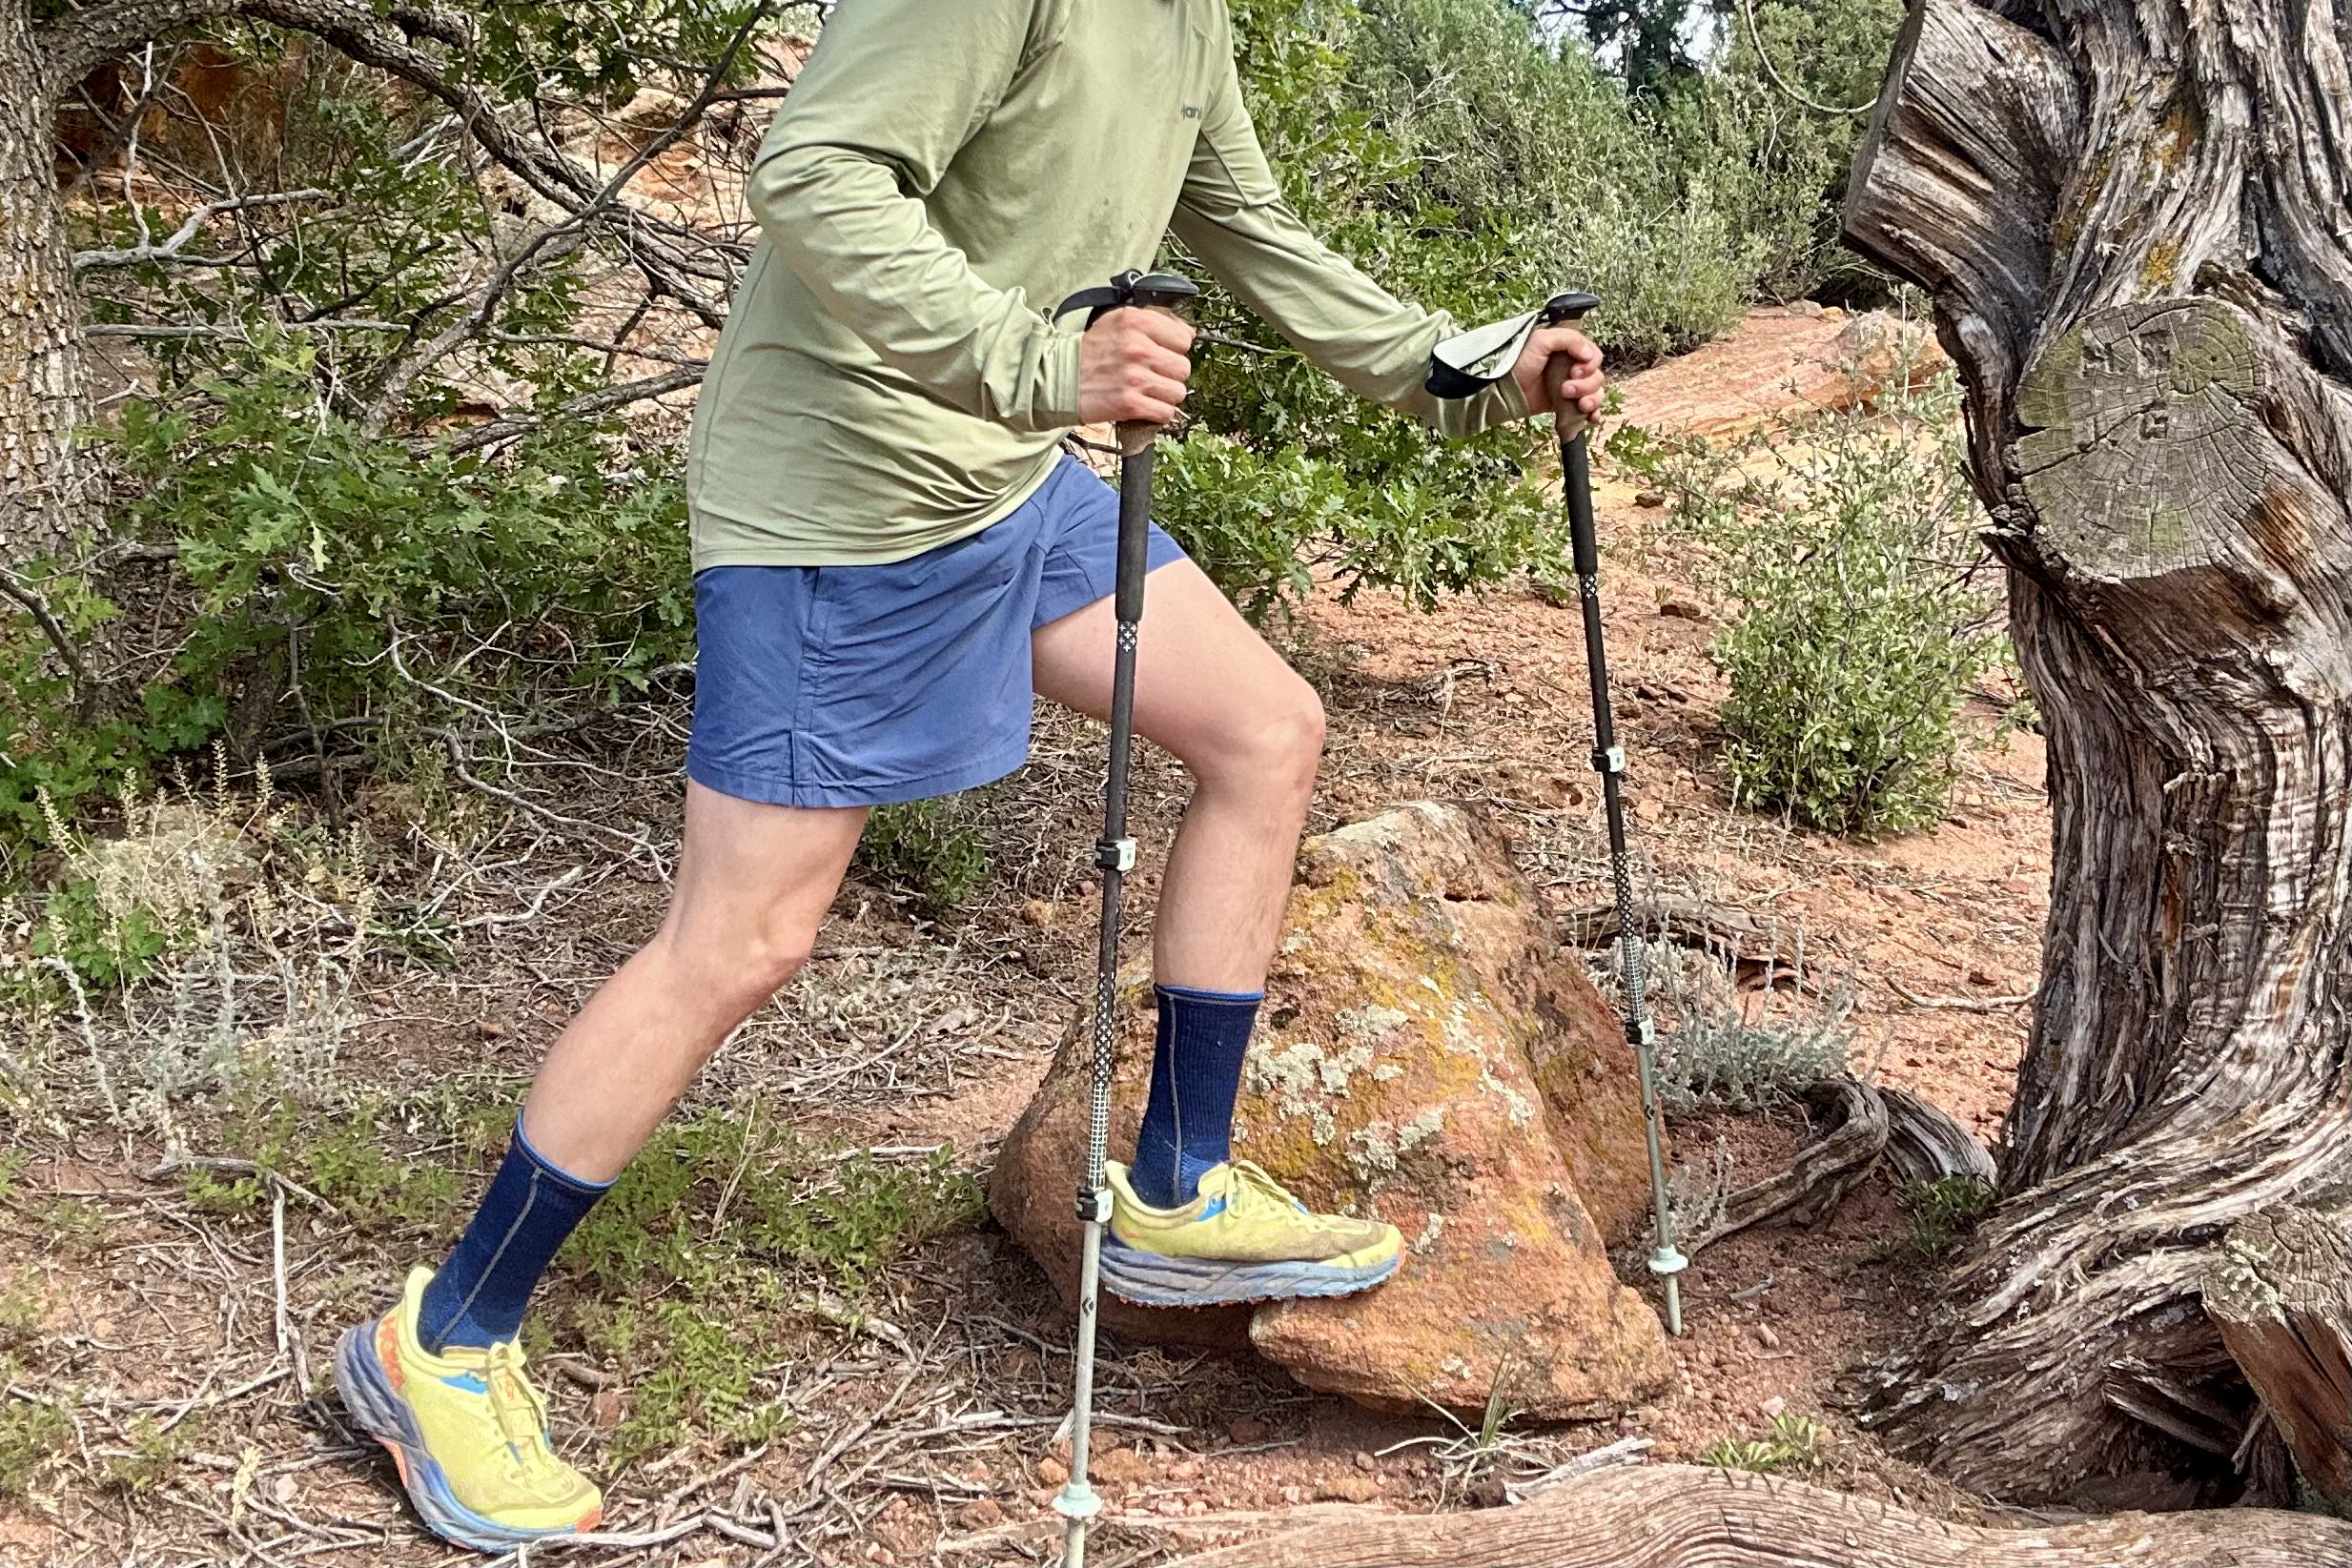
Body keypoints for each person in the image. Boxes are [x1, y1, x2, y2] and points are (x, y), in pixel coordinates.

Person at [332, 0, 1605, 1550]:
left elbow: (1250, 227)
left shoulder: (1190, 19)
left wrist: (1460, 364)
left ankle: (1177, 1188)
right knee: (743, 939)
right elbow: (811, 175)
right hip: (843, 504)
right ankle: (445, 1338)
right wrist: (1035, 358)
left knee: (1267, 730)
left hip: (1008, 483)